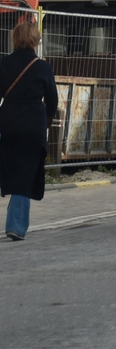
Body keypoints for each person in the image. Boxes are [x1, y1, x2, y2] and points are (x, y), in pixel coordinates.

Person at [0, 22, 58, 241]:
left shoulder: (4, 64)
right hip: (33, 124)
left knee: (9, 169)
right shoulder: (42, 66)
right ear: (35, 40)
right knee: (25, 175)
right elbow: (52, 98)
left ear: (15, 39)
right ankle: (15, 225)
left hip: (7, 122)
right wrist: (47, 120)